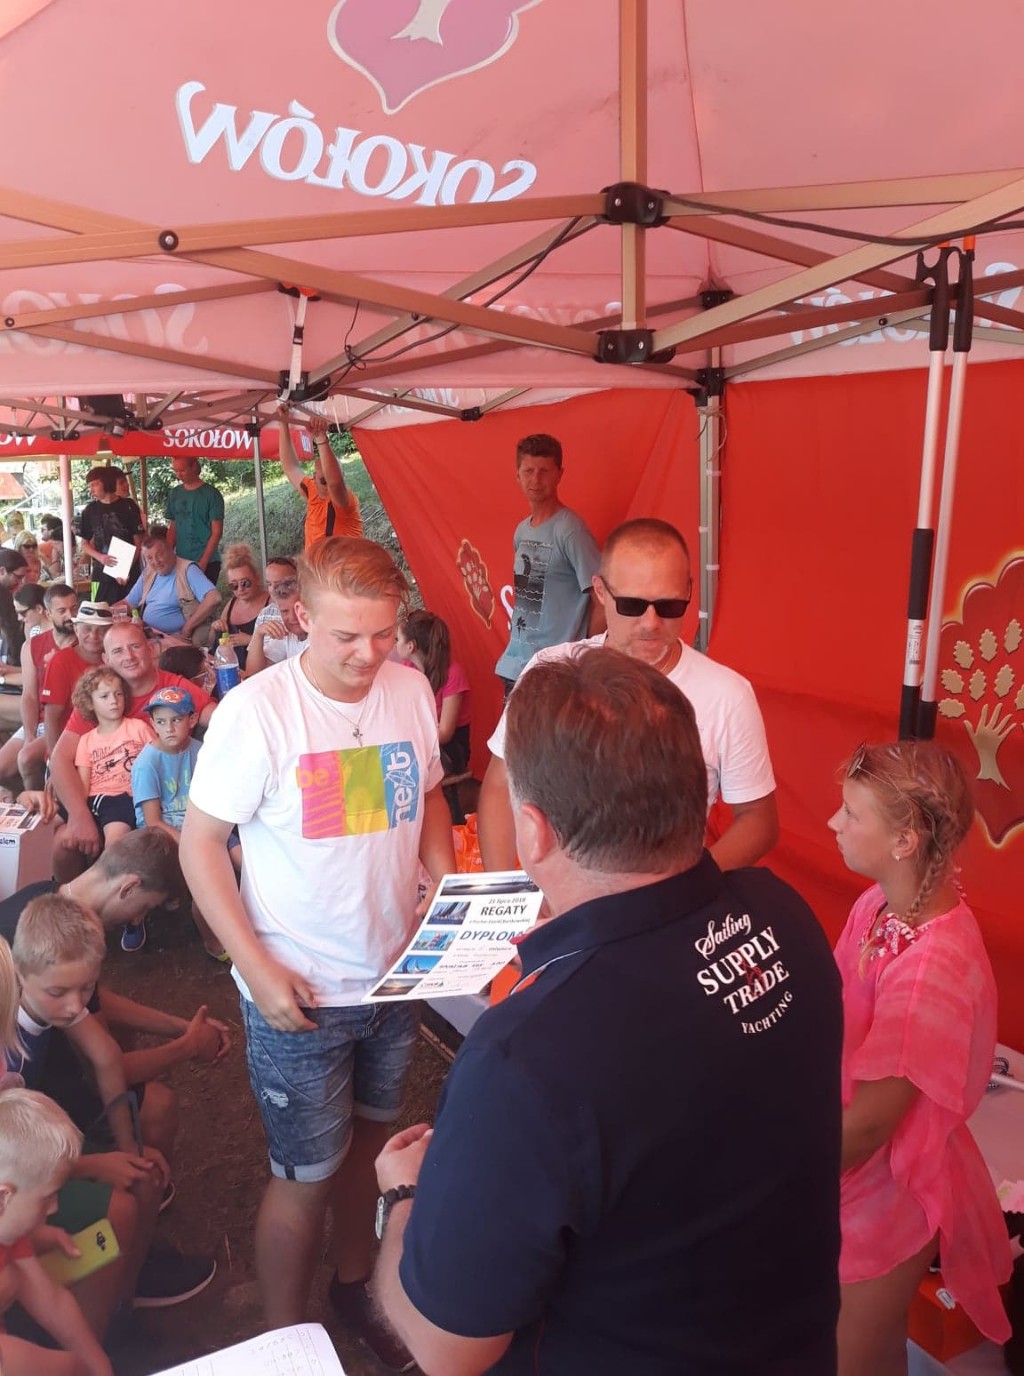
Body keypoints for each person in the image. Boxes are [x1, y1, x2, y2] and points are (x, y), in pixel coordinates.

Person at [372, 649, 843, 1375]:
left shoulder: (526, 1056)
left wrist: (404, 1197)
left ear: (534, 832)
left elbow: (445, 1347)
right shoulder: (784, 914)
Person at [180, 536, 455, 1363]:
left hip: (392, 978)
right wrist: (254, 967)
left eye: (384, 632)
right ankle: (286, 1341)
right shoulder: (257, 712)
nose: (369, 654)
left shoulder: (409, 688)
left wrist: (444, 883)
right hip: (299, 991)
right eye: (346, 636)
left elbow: (429, 796)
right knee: (303, 1177)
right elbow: (201, 846)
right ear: (301, 615)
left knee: (370, 1147)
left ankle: (353, 1287)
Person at [827, 741, 1012, 1374]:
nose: (834, 822)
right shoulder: (878, 904)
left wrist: (776, 1175)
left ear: (904, 841)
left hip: (885, 1190)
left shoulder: (933, 968)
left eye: (852, 813)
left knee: (849, 1358)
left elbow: (872, 1125)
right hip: (848, 1161)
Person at [481, 518, 779, 873]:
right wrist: (502, 892)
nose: (651, 623)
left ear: (689, 591)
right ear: (600, 591)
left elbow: (758, 819)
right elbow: (500, 782)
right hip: (555, 895)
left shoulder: (727, 695)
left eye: (669, 606)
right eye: (632, 605)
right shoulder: (550, 672)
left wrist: (686, 886)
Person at [48, 620, 215, 883]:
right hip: (99, 792)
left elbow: (219, 720)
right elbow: (60, 757)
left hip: (151, 800)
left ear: (151, 649)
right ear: (106, 658)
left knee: (119, 842)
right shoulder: (101, 696)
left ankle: (107, 898)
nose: (128, 656)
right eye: (118, 650)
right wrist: (79, 815)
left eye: (135, 646)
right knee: (62, 841)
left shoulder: (173, 687)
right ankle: (68, 899)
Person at [0, 1088, 113, 1376]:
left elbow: (51, 1298)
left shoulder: (8, 1229)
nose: (54, 1208)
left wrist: (98, 1365)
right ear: (3, 1197)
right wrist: (75, 1367)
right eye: (47, 1197)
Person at [494, 433, 603, 694]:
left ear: (559, 474)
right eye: (528, 471)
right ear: (517, 475)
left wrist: (580, 654)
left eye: (544, 471)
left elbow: (603, 599)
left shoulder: (570, 530)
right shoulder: (521, 531)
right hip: (515, 666)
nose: (536, 480)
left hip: (554, 673)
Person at [131, 686, 232, 959]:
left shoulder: (201, 751)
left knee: (243, 858)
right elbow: (152, 821)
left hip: (203, 825)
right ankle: (213, 941)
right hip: (165, 834)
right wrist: (194, 842)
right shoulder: (146, 763)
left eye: (176, 720)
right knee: (206, 875)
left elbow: (216, 796)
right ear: (152, 724)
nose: (169, 728)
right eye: (161, 721)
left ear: (192, 719)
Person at [72, 667, 152, 849]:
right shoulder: (86, 740)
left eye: (118, 694)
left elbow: (158, 759)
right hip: (95, 799)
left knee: (114, 841)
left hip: (124, 798)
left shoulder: (138, 728)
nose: (114, 701)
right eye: (104, 696)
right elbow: (83, 784)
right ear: (90, 703)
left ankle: (107, 867)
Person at [13, 583, 77, 790]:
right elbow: (29, 696)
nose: (70, 616)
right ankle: (25, 796)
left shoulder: (85, 643)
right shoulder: (31, 645)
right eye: (62, 611)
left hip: (65, 721)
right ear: (48, 614)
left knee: (25, 759)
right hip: (38, 720)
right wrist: (29, 734)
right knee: (3, 768)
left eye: (74, 609)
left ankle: (40, 801)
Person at [397, 609, 471, 776]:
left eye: (397, 639)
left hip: (450, 751)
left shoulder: (453, 674)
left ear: (410, 646)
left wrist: (409, 737)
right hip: (420, 743)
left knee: (402, 770)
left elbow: (444, 734)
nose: (396, 644)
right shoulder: (407, 669)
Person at [277, 407, 362, 546]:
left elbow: (334, 483)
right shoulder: (311, 489)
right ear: (314, 478)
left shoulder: (345, 500)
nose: (329, 486)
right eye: (323, 481)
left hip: (341, 560)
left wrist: (321, 438)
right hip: (315, 560)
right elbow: (290, 467)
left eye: (335, 477)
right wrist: (283, 424)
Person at [122, 526, 220, 644]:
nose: (156, 561)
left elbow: (214, 598)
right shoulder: (148, 573)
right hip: (150, 635)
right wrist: (106, 610)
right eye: (149, 558)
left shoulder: (188, 570)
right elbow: (129, 603)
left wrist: (187, 628)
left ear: (170, 549)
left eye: (159, 555)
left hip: (177, 639)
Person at [41, 602, 111, 760]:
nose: (93, 635)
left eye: (101, 630)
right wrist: (55, 759)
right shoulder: (61, 660)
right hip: (71, 744)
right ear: (76, 629)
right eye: (87, 629)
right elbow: (52, 716)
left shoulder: (117, 658)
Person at [77, 467, 144, 605]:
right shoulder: (89, 511)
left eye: (94, 484)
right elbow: (84, 544)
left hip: (129, 572)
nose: (91, 490)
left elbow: (139, 541)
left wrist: (125, 569)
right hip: (100, 574)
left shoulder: (129, 506)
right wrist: (101, 557)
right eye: (89, 486)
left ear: (106, 482)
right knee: (99, 609)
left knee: (131, 610)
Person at [209, 544, 269, 671]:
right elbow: (213, 642)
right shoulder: (231, 604)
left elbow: (283, 644)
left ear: (257, 578)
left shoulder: (270, 604)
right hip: (230, 669)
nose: (240, 589)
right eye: (234, 585)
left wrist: (251, 640)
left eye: (245, 583)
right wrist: (215, 627)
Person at [165, 456, 224, 583]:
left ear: (194, 467)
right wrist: (167, 554)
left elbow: (217, 532)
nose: (178, 475)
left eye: (182, 470)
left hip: (208, 560)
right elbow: (173, 527)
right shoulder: (174, 493)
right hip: (181, 560)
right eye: (175, 471)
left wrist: (203, 562)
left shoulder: (212, 494)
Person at [245, 583, 307, 674]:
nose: (292, 618)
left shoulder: (318, 638)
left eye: (297, 609)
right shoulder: (288, 635)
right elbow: (253, 673)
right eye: (285, 611)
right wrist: (258, 634)